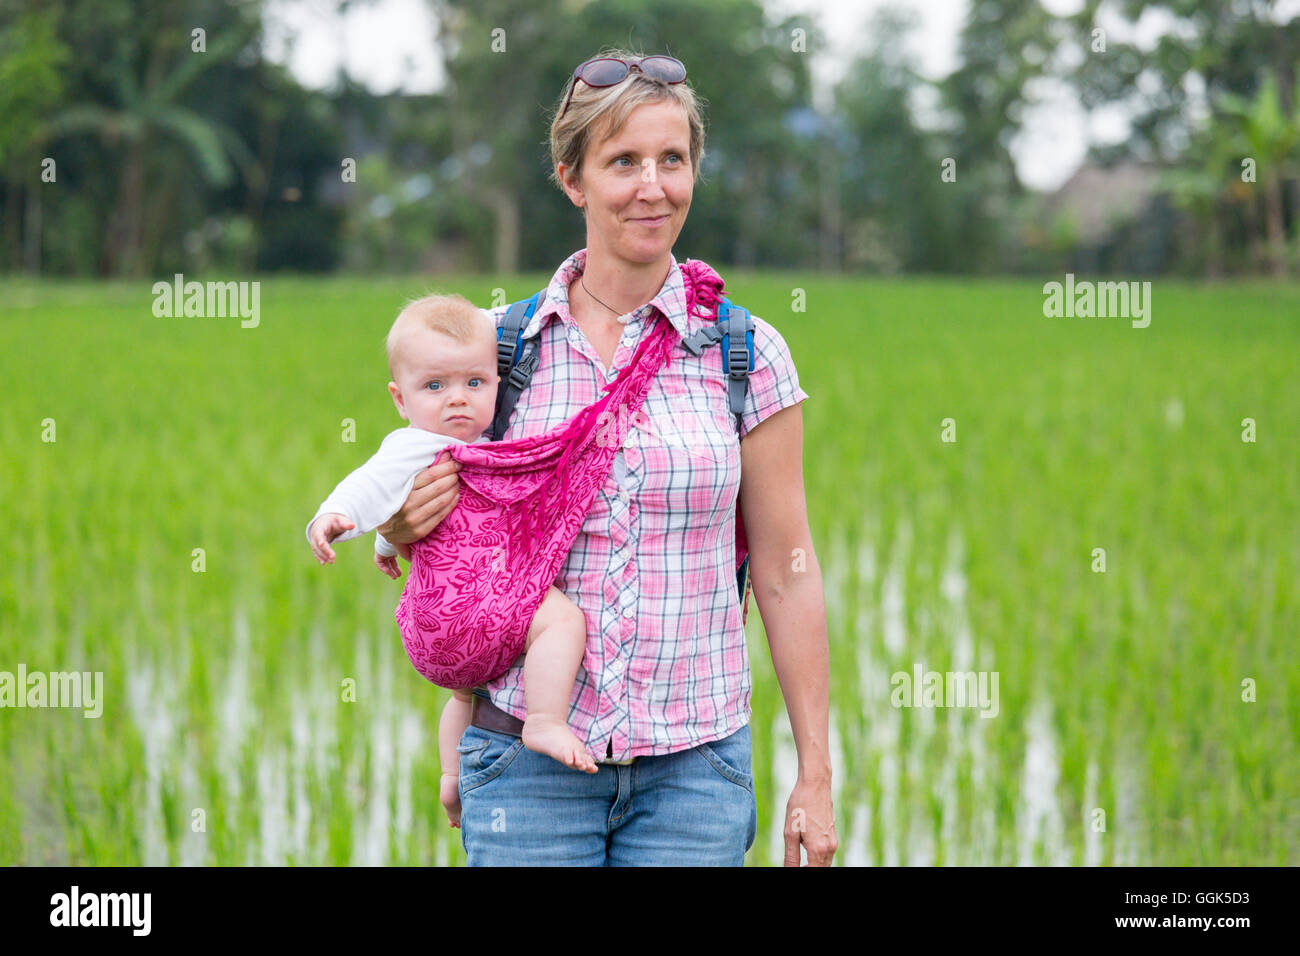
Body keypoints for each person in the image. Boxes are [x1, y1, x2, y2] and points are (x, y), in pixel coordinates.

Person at [377, 48, 836, 866]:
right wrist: (399, 521)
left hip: (695, 771)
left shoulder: (744, 354)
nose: (652, 186)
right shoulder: (499, 352)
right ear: (572, 179)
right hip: (524, 761)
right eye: (623, 161)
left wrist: (816, 773)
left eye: (673, 159)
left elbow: (787, 567)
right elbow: (450, 536)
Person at [306, 293, 600, 833]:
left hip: (434, 628)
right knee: (563, 620)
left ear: (497, 381)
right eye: (434, 387)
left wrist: (386, 547)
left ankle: (449, 774)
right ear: (400, 398)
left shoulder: (485, 438)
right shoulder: (413, 444)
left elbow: (403, 507)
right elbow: (372, 484)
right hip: (482, 608)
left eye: (475, 383)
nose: (457, 401)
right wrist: (334, 517)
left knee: (466, 692)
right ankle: (543, 720)